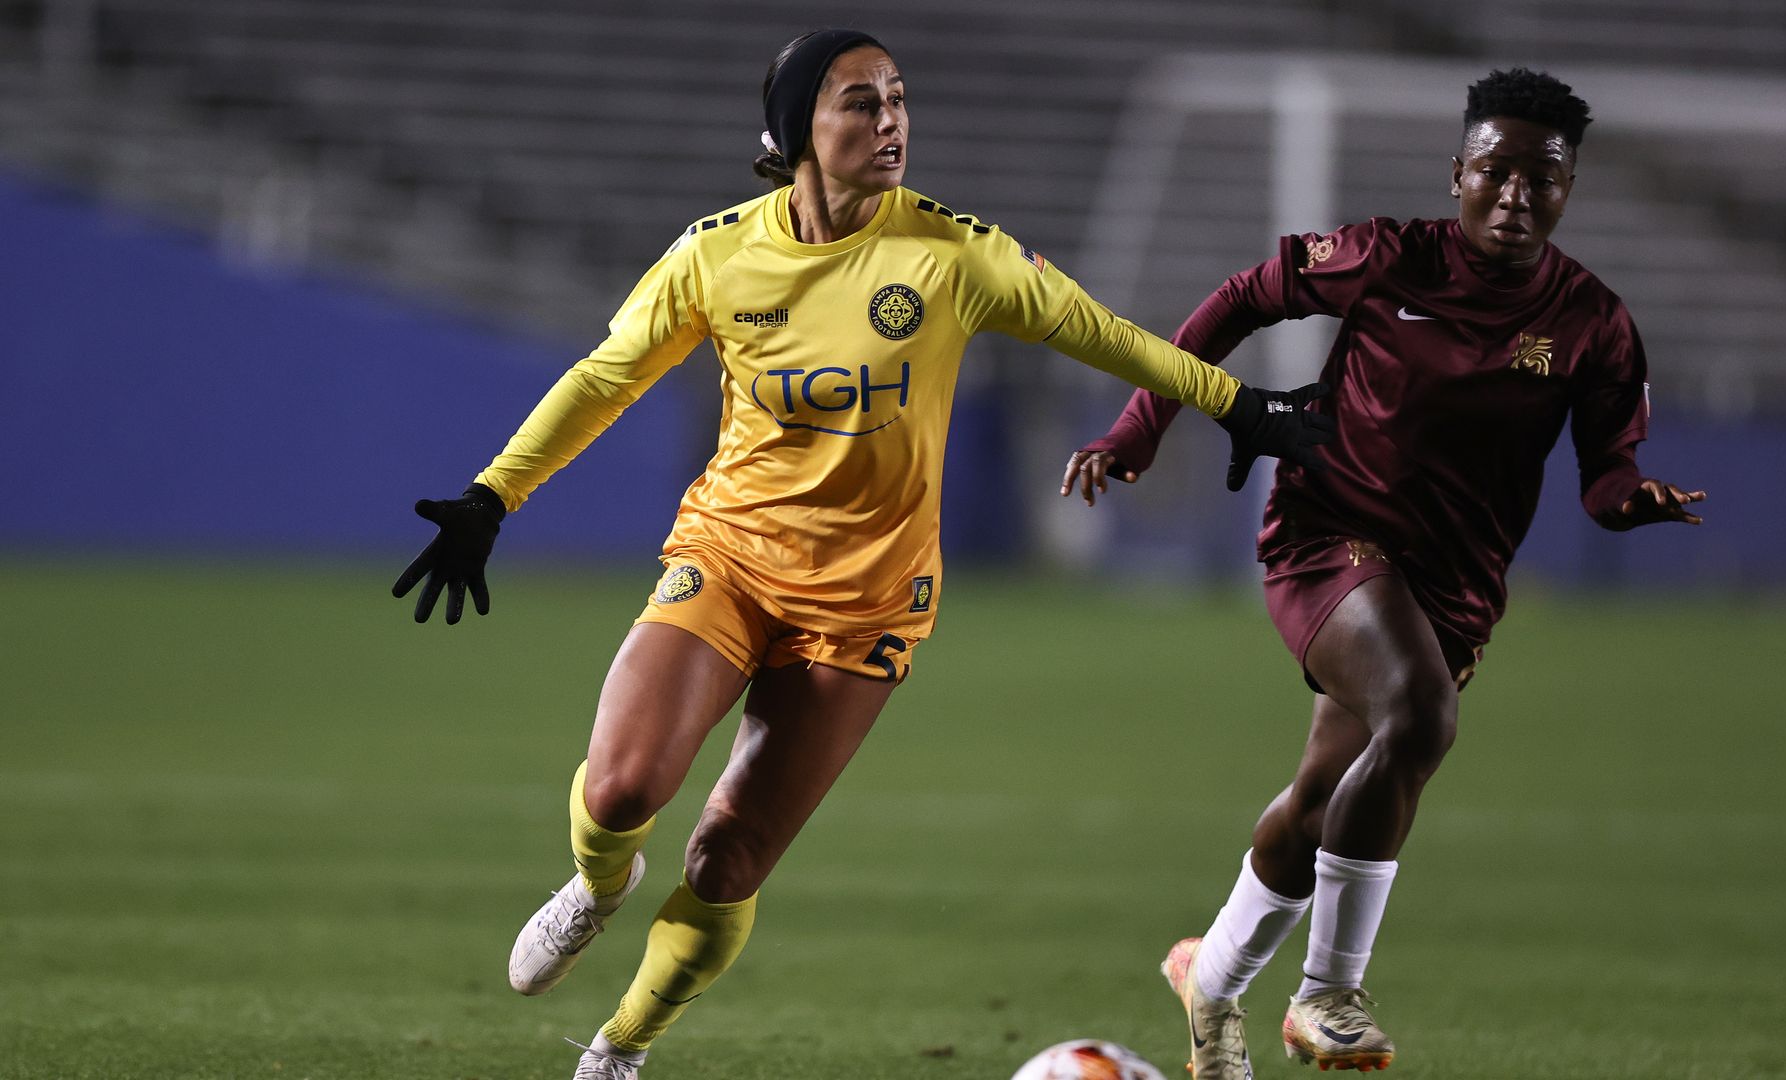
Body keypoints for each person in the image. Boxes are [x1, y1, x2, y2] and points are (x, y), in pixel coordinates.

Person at [392, 28, 1328, 1080]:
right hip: (734, 557)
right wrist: (493, 495)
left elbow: (1103, 331)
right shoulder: (717, 253)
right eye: (858, 103)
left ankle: (617, 1051)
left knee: (727, 855)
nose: (889, 122)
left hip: (868, 605)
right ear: (798, 129)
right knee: (620, 791)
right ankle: (598, 888)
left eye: (896, 99)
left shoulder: (951, 256)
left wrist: (1237, 404)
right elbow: (608, 375)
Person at [1061, 68, 1707, 1076]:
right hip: (1330, 534)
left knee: (1323, 799)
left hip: (1452, 585)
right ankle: (1328, 995)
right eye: (1495, 172)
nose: (1515, 196)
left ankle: (1212, 982)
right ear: (1458, 174)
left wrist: (1631, 501)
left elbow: (1605, 472)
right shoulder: (1387, 258)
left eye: (1543, 179)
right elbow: (1238, 299)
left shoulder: (1592, 323)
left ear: (1568, 187)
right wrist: (1142, 426)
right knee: (1419, 716)